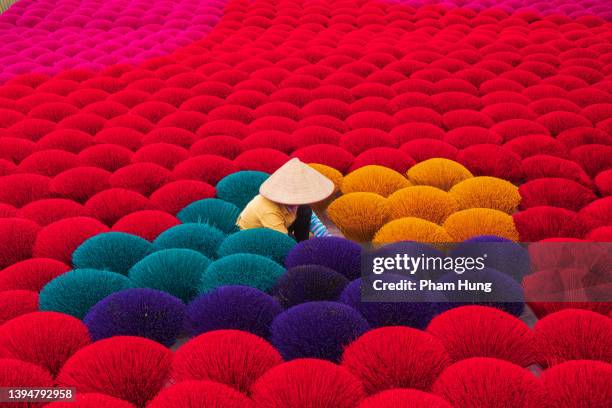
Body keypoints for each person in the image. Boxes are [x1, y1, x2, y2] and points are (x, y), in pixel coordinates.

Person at [236, 158, 334, 242]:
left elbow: (314, 223)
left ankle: (303, 243)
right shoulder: (268, 209)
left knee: (305, 210)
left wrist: (331, 241)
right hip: (254, 236)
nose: (297, 202)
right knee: (292, 243)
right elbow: (283, 241)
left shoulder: (298, 204)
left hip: (280, 225)